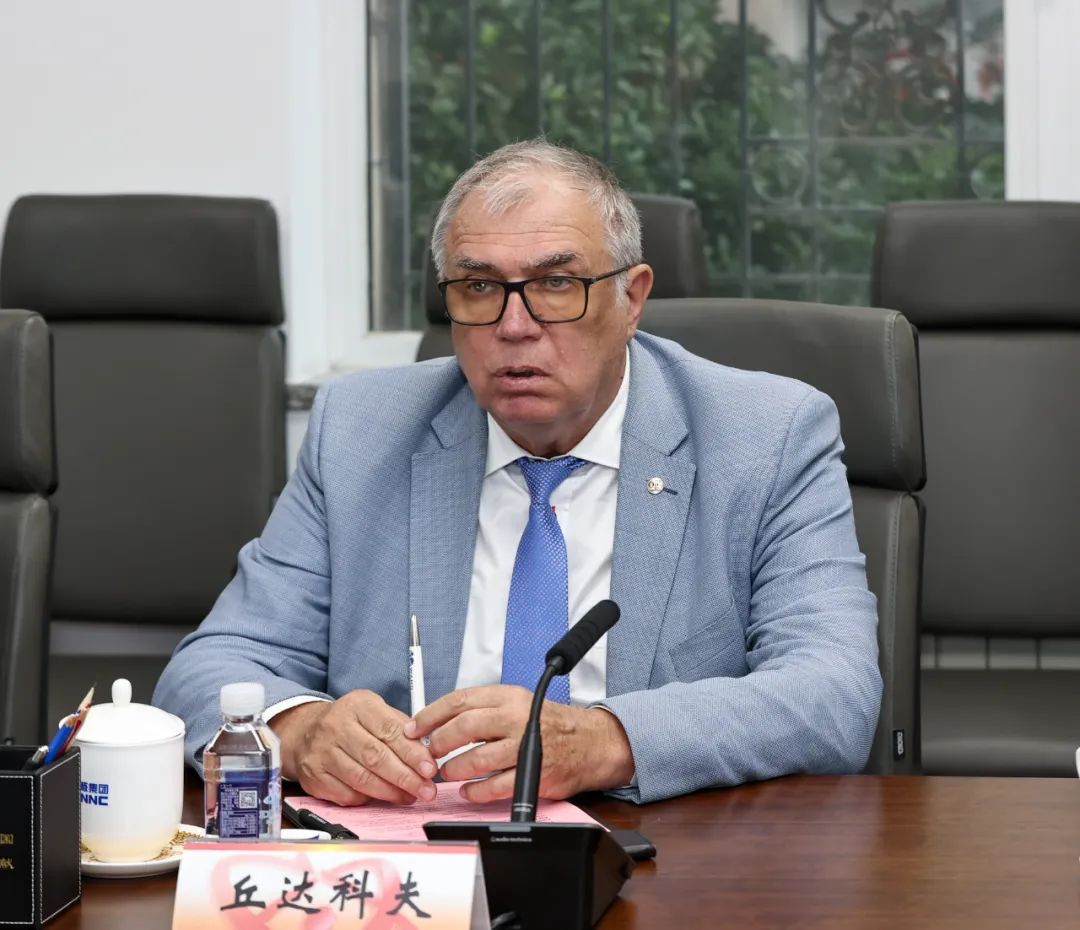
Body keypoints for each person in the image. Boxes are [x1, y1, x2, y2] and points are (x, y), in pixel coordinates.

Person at [154, 140, 881, 806]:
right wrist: (301, 728)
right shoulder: (361, 430)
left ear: (631, 299)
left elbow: (833, 693)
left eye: (556, 283)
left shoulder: (767, 434)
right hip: (416, 851)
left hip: (664, 845)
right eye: (478, 287)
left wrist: (607, 740)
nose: (513, 325)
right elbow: (211, 664)